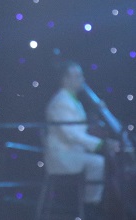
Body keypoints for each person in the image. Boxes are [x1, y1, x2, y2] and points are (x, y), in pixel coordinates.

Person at [44, 61, 118, 212]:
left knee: (102, 161)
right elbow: (72, 135)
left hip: (73, 152)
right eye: (77, 76)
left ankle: (99, 204)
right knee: (98, 163)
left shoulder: (73, 101)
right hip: (63, 155)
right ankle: (91, 205)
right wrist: (101, 144)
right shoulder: (61, 102)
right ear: (65, 79)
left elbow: (80, 131)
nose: (82, 79)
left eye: (81, 75)